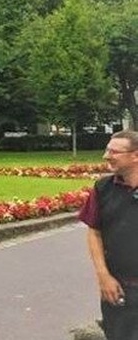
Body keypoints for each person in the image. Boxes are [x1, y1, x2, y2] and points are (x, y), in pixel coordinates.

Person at [79, 130, 138, 340]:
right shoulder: (103, 188)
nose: (106, 156)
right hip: (119, 288)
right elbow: (94, 231)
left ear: (135, 155)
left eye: (114, 152)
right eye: (107, 150)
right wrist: (103, 276)